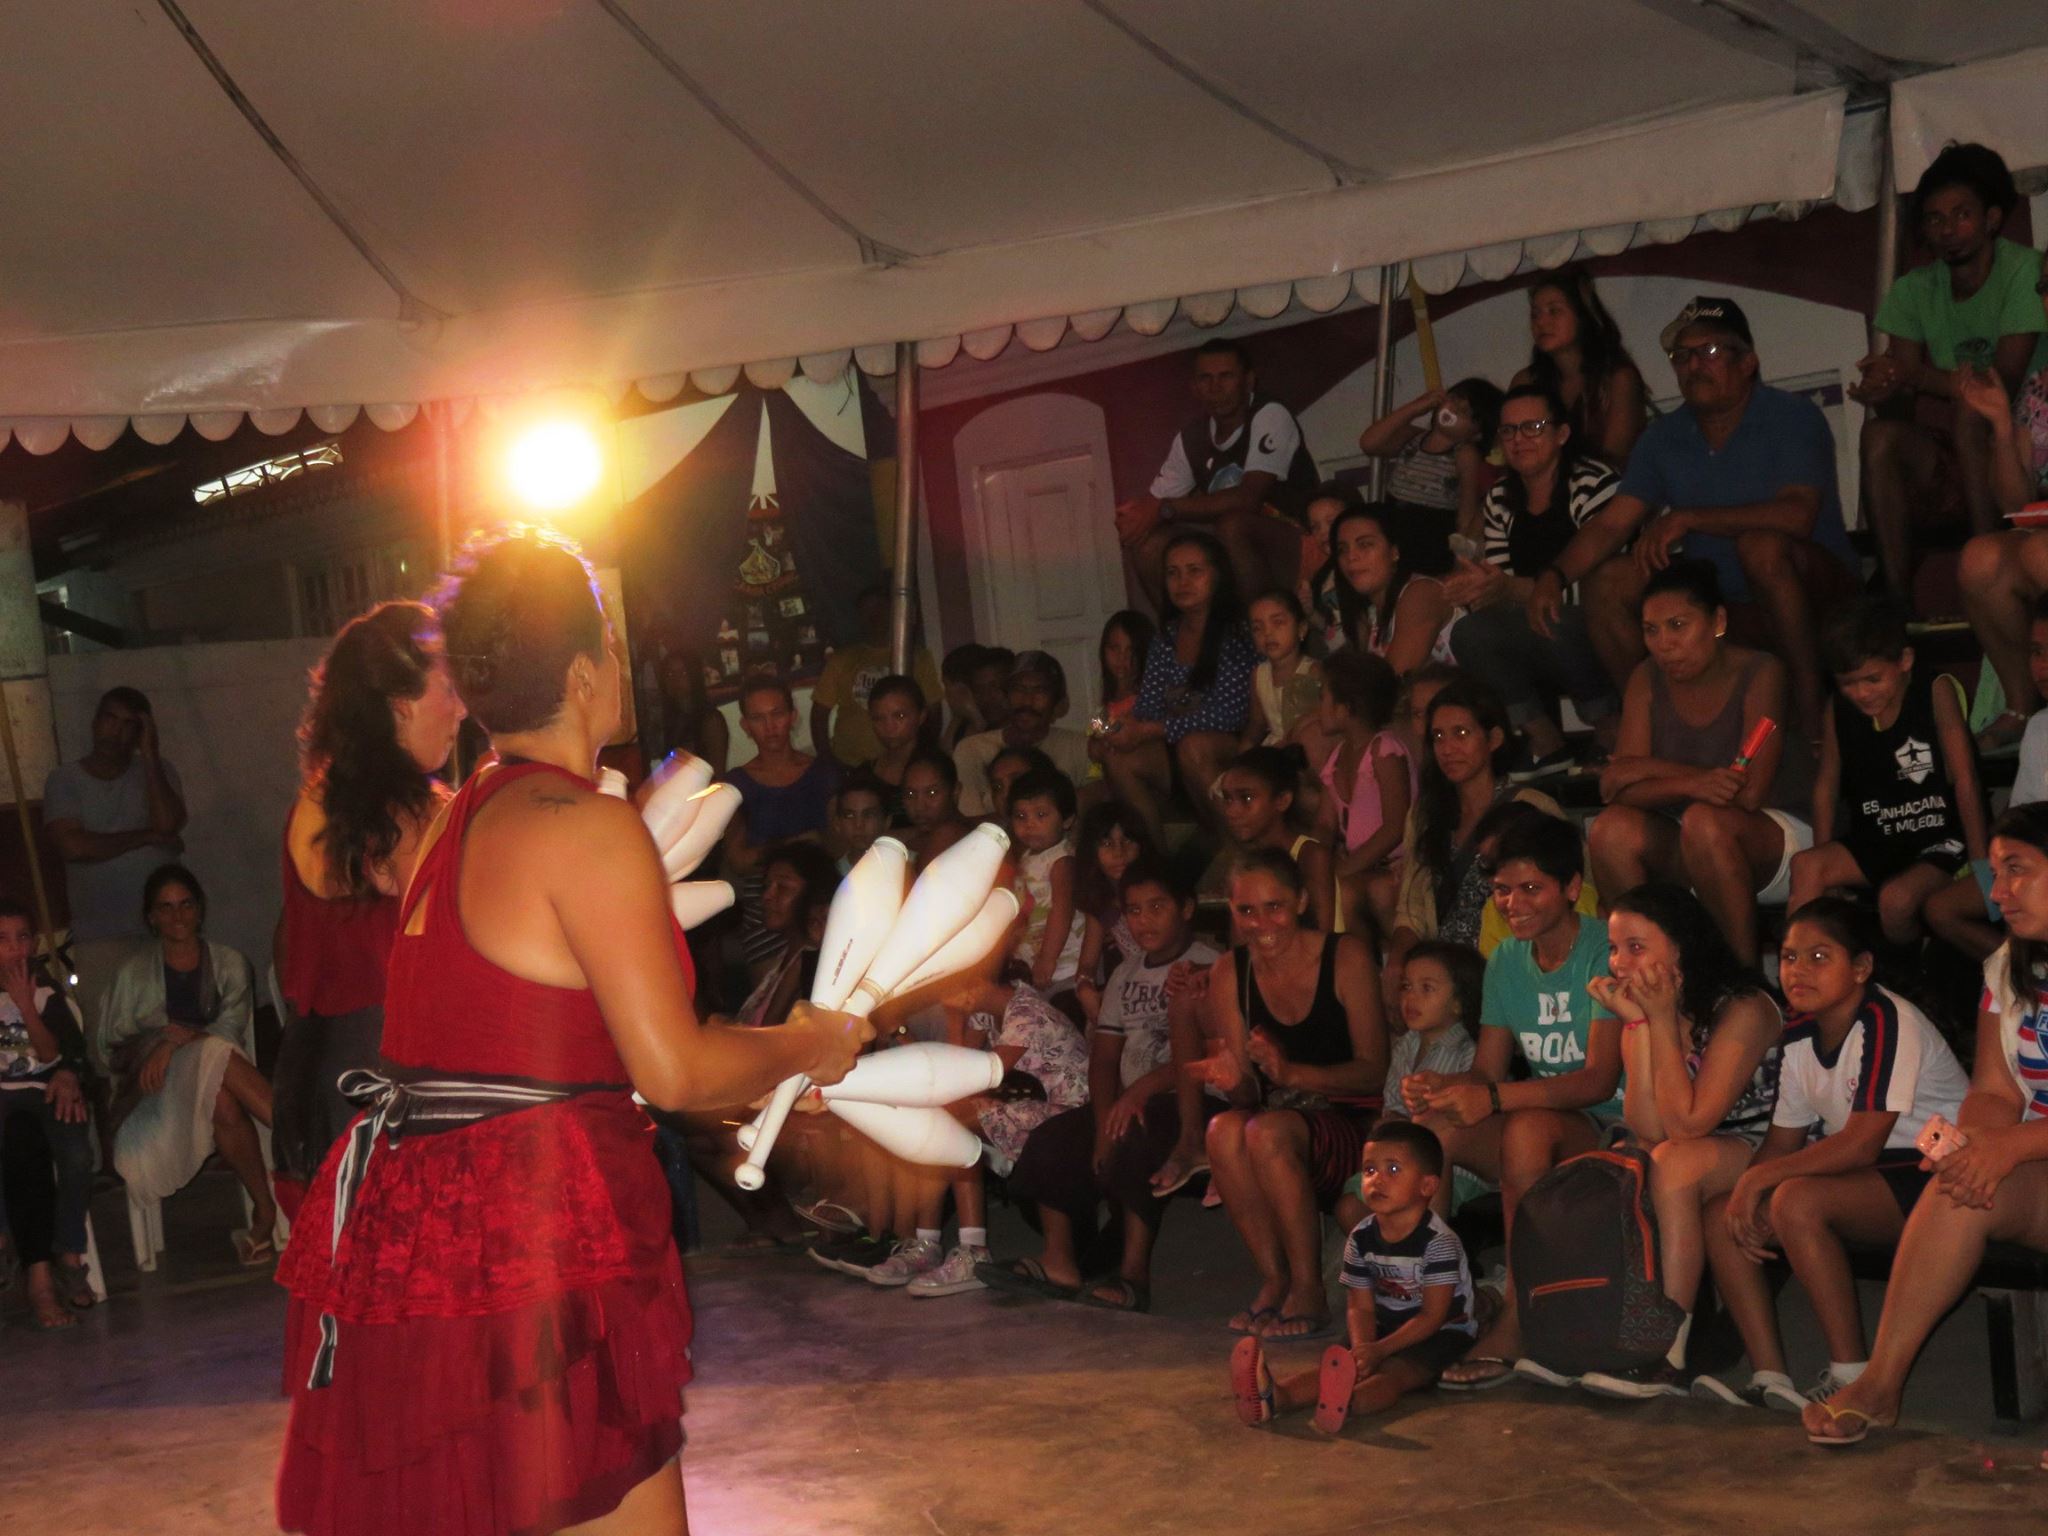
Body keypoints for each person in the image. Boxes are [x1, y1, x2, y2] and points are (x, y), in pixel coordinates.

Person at [274, 526, 869, 1536]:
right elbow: (673, 1070)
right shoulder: (582, 826)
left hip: (426, 1225)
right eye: (613, 639)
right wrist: (810, 1043)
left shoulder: (453, 819)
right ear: (588, 671)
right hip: (534, 1226)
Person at [1802, 804, 2048, 1445]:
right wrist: (1977, 1145)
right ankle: (1881, 1384)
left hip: (2037, 1149)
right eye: (1995, 873)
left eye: (2017, 870)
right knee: (1956, 1187)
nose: (1997, 893)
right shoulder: (2010, 965)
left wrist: (2012, 1145)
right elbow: (1993, 1089)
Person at [1538, 295, 1857, 734]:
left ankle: (1812, 714)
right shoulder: (1664, 436)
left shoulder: (1792, 416)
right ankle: (1659, 730)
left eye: (1709, 351)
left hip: (1815, 597)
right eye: (1681, 356)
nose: (1693, 365)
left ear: (1747, 362)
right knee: (1607, 582)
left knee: (1761, 547)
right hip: (1721, 606)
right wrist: (1554, 575)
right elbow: (1612, 524)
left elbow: (1796, 515)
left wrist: (1689, 518)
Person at [1700, 898, 1968, 1414]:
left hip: (1933, 1172)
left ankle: (1852, 1375)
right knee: (1721, 1214)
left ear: (1861, 967)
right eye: (1789, 957)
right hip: (1867, 1173)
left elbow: (1863, 1142)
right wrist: (1747, 1190)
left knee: (1796, 1201)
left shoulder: (1887, 1020)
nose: (1798, 970)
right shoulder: (1800, 1032)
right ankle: (1769, 1376)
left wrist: (1760, 1182)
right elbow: (1783, 1140)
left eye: (1819, 957)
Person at [1403, 812, 1622, 1387]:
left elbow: (1599, 1081)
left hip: (1613, 1126)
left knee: (1524, 1130)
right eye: (1502, 890)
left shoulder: (1604, 949)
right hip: (1544, 1116)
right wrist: (1447, 1088)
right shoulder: (1504, 960)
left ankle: (1521, 1321)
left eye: (1530, 888)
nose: (1512, 904)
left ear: (1571, 887)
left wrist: (1494, 1097)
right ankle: (1438, 1307)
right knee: (1435, 1130)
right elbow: (1487, 1070)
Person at [274, 602, 466, 1203]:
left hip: (349, 1075)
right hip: (377, 1081)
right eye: (449, 690)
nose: (463, 710)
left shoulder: (338, 802)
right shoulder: (384, 812)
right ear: (400, 703)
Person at [1574, 884, 1783, 1399]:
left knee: (1671, 1162)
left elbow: (1690, 1124)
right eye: (1614, 949)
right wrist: (1640, 1026)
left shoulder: (1744, 1007)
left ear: (1682, 949)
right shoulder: (1653, 1009)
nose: (1620, 963)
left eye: (1636, 947)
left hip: (1775, 1144)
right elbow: (1648, 1125)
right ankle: (1613, 1335)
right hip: (1703, 1148)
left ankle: (1664, 1350)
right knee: (1645, 1158)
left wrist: (1661, 1021)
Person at [984, 858, 1219, 1311]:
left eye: (1157, 907)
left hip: (1195, 1101)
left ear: (1186, 908)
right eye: (1134, 911)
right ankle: (1059, 1261)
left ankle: (1133, 1275)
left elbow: (1209, 1053)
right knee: (1052, 1137)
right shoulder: (1126, 974)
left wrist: (1137, 1094)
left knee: (1135, 1137)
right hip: (1129, 1101)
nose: (1144, 921)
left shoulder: (1210, 966)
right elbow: (1106, 1058)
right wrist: (1101, 1117)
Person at [1203, 848, 1386, 1341]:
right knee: (1221, 1131)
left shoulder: (1344, 956)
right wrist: (1232, 1081)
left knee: (1266, 1133)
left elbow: (1374, 1072)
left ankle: (1309, 1288)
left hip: (1353, 1124)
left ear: (1301, 901)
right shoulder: (1231, 972)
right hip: (1282, 1125)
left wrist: (1292, 1073)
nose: (1262, 924)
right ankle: (1276, 1277)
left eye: (1274, 907)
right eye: (1247, 910)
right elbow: (1248, 1095)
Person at [1589, 559, 1812, 963]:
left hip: (1774, 832)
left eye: (1677, 625)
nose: (1664, 644)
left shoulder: (1761, 671)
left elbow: (1748, 793)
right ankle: (1650, 969)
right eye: (1651, 630)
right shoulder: (1646, 677)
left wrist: (1646, 770)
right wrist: (1690, 781)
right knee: (1610, 830)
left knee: (1705, 822)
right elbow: (1616, 788)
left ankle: (1741, 979)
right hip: (1688, 831)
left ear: (1718, 622)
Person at [1855, 144, 2048, 596]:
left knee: (1970, 410)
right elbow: (1903, 411)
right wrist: (1886, 390)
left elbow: (2000, 385)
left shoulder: (2025, 270)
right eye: (1934, 219)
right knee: (1878, 437)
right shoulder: (1913, 290)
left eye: (1962, 215)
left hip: (2024, 439)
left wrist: (1914, 375)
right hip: (1962, 459)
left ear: (1992, 219)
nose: (1947, 230)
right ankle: (1896, 603)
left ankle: (1991, 563)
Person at [1231, 1120, 1477, 1433]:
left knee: (1393, 1373)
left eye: (1393, 1169)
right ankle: (1277, 1397)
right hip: (1386, 1323)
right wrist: (1363, 1347)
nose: (1377, 1179)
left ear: (1427, 1186)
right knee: (1341, 1363)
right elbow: (1359, 1306)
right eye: (1369, 1170)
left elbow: (1433, 1315)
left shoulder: (1438, 1242)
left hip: (1442, 1330)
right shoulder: (1360, 1237)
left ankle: (1347, 1403)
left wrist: (1380, 1350)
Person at [97, 864, 274, 1263]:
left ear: (199, 909)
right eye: (166, 907)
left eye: (186, 904)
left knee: (221, 1090)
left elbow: (230, 1028)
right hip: (156, 1093)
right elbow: (111, 1047)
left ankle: (264, 1216)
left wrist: (178, 1041)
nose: (177, 915)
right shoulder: (131, 974)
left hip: (219, 1080)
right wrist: (163, 1045)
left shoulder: (229, 963)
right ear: (152, 917)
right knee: (213, 1055)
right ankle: (300, 1143)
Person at [879, 967, 1092, 1298]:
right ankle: (926, 1244)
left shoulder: (1027, 1013)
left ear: (975, 981)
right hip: (1030, 1105)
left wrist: (929, 1027)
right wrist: (934, 1025)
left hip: (1069, 1117)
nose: (943, 999)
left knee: (950, 1121)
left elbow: (967, 1081)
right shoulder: (987, 1013)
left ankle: (972, 1250)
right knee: (940, 1116)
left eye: (947, 989)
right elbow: (956, 1073)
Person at [1786, 596, 1986, 945]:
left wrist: (1982, 864)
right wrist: (1826, 859)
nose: (1861, 693)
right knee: (1806, 865)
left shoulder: (1934, 691)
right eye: (1848, 683)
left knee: (1896, 899)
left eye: (1873, 679)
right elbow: (1826, 787)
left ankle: (1907, 968)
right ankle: (1805, 965)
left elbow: (1965, 779)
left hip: (1939, 836)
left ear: (1904, 661)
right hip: (1879, 835)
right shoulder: (1839, 708)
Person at [1445, 382, 1621, 773]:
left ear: (1562, 434)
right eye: (1508, 430)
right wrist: (1478, 588)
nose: (1519, 440)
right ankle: (1545, 740)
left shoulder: (1593, 482)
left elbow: (1606, 587)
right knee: (1469, 632)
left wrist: (1510, 589)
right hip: (1537, 624)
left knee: (1552, 617)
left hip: (1597, 623)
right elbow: (1502, 585)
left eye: (1533, 428)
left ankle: (1610, 729)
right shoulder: (1500, 498)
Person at [1382, 678, 1570, 997]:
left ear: (1493, 739)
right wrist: (1397, 961)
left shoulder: (1531, 807)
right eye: (1438, 736)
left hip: (1514, 967)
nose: (1447, 748)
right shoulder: (1426, 814)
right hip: (1445, 977)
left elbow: (1570, 895)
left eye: (1461, 733)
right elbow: (1411, 909)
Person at [1116, 338, 1317, 609]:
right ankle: (1182, 630)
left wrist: (1165, 509)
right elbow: (1152, 506)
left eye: (1226, 376)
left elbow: (1248, 498)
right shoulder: (1192, 438)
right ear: (1194, 388)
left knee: (1233, 525)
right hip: (1235, 548)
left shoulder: (1269, 414)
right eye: (1206, 379)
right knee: (1148, 544)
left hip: (1296, 541)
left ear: (1248, 381)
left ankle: (1258, 624)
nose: (1215, 387)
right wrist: (1134, 517)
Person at [42, 686, 187, 1032]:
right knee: (108, 1038)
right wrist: (146, 837)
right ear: (95, 722)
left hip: (165, 930)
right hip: (100, 936)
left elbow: (168, 823)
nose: (116, 731)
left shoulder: (158, 771)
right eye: (110, 719)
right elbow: (74, 847)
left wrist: (150, 755)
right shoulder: (64, 780)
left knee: (173, 1030)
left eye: (128, 725)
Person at [1099, 530, 1258, 837]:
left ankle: (1240, 846)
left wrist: (1152, 730)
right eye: (1173, 573)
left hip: (1234, 746)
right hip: (1174, 745)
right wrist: (1118, 730)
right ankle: (1154, 857)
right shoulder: (1167, 637)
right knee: (1117, 757)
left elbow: (1230, 716)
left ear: (1217, 575)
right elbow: (1148, 706)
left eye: (1194, 571)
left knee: (1193, 746)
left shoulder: (1236, 632)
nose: (1182, 582)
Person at [1928, 593, 2048, 960]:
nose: (2043, 667)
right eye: (2036, 652)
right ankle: (2021, 972)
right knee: (1942, 909)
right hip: (2037, 866)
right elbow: (2021, 823)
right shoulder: (2040, 729)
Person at [0, 895, 94, 1323]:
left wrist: (25, 1005)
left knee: (76, 1155)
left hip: (45, 1092)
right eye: (3, 940)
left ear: (35, 942)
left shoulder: (46, 992)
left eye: (22, 938)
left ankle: (69, 1253)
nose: (14, 949)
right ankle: (7, 1240)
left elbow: (55, 1053)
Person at [723, 674, 840, 974]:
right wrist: (797, 843)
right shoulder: (736, 784)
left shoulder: (823, 773)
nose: (770, 726)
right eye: (758, 718)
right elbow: (738, 860)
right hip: (767, 898)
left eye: (777, 714)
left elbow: (838, 843)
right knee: (769, 994)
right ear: (746, 726)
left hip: (820, 895)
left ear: (792, 716)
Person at [1316, 649, 1413, 939]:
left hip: (1393, 865)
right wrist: (1318, 863)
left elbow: (1395, 827)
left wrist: (1344, 869)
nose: (1317, 707)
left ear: (1345, 708)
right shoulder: (1337, 757)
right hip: (1361, 866)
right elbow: (1324, 824)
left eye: (1323, 698)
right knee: (1333, 891)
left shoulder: (1384, 751)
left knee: (1352, 892)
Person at [1513, 268, 1650, 463]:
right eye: (1535, 314)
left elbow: (1614, 459)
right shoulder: (1526, 382)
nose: (1541, 322)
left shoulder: (1618, 379)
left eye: (1554, 311)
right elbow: (1515, 451)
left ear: (1583, 316)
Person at [1355, 378, 1504, 550]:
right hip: (1394, 525)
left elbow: (1466, 511)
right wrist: (1415, 407)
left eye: (1465, 412)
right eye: (1454, 399)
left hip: (1432, 535)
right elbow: (1369, 443)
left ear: (1478, 434)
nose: (1454, 409)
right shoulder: (1413, 437)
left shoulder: (1465, 454)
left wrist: (1463, 546)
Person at [808, 583, 942, 768]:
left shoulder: (917, 657)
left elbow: (933, 710)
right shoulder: (842, 659)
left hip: (905, 763)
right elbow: (819, 713)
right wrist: (826, 758)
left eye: (880, 608)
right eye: (867, 610)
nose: (874, 615)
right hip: (850, 763)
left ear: (892, 612)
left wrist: (924, 753)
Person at [1209, 746, 1336, 935]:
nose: (1232, 811)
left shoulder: (1310, 855)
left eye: (1247, 798)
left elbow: (1322, 934)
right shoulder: (1244, 863)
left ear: (1282, 800)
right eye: (1228, 799)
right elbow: (1240, 940)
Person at [953, 651, 1096, 817]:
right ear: (1006, 697)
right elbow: (968, 821)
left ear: (1057, 703)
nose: (1027, 701)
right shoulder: (972, 750)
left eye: (1039, 691)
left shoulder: (1079, 747)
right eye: (1019, 690)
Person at [1329, 500, 1457, 676]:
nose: (1351, 556)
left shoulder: (1421, 593)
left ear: (1394, 551)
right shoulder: (1367, 614)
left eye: (1365, 544)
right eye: (1342, 549)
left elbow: (1393, 680)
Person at [1071, 801, 1156, 1026]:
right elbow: (1087, 965)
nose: (1119, 853)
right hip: (1132, 989)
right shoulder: (1103, 902)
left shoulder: (1158, 891)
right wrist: (1085, 987)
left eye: (1127, 841)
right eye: (1107, 843)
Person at [1008, 769, 1085, 999]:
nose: (1029, 824)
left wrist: (1048, 958)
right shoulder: (1026, 857)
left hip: (1063, 965)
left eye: (1041, 815)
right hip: (1032, 964)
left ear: (1067, 819)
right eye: (1021, 816)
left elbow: (1062, 907)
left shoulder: (1062, 860)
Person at [1241, 588, 1327, 760]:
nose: (1268, 633)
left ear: (1301, 629)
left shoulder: (1314, 671)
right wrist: (1244, 755)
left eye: (1278, 623)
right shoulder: (1259, 675)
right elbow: (1256, 725)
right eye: (1258, 628)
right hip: (1273, 750)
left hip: (1307, 752)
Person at [643, 646, 729, 775]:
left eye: (683, 673)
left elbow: (718, 773)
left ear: (694, 676)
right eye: (670, 674)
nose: (675, 680)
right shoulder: (672, 718)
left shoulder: (711, 720)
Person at [1092, 610, 1155, 764]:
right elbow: (1097, 732)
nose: (1122, 658)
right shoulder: (1107, 702)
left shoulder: (1147, 699)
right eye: (1114, 648)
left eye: (1131, 650)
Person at [860, 672, 927, 805]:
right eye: (879, 718)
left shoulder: (935, 770)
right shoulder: (864, 774)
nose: (889, 727)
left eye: (899, 716)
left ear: (921, 716)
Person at [899, 748, 972, 867]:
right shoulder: (916, 839)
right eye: (910, 794)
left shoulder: (949, 834)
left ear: (955, 792)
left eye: (932, 793)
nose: (919, 806)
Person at [828, 770, 891, 866]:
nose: (858, 825)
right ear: (837, 824)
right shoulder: (833, 873)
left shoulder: (909, 866)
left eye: (868, 815)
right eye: (850, 816)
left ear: (886, 821)